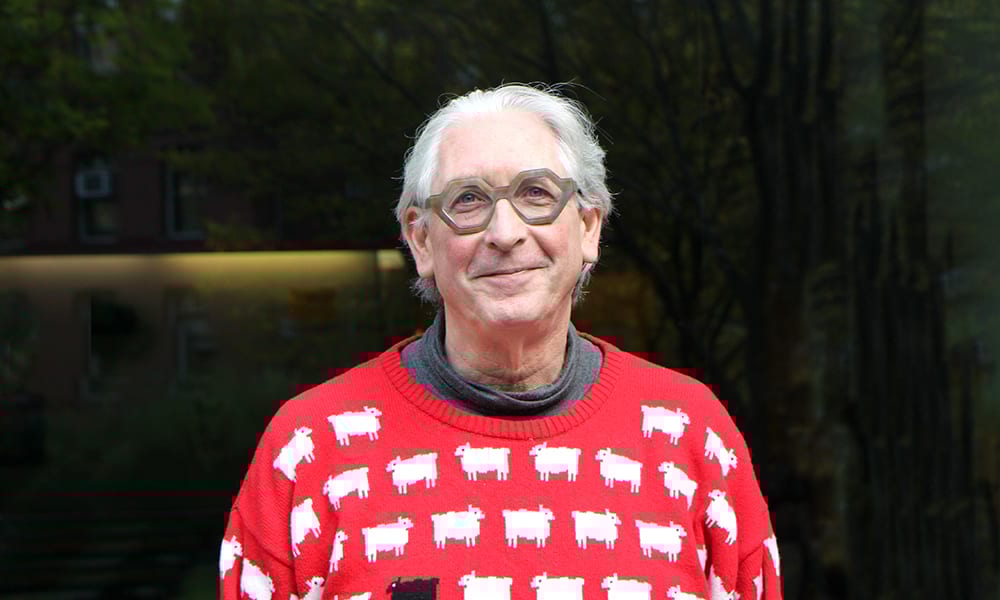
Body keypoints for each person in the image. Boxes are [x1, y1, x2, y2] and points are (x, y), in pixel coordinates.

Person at [218, 84, 783, 600]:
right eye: (467, 200)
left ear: (588, 227)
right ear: (420, 240)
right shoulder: (310, 448)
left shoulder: (692, 434)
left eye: (537, 193)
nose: (505, 233)